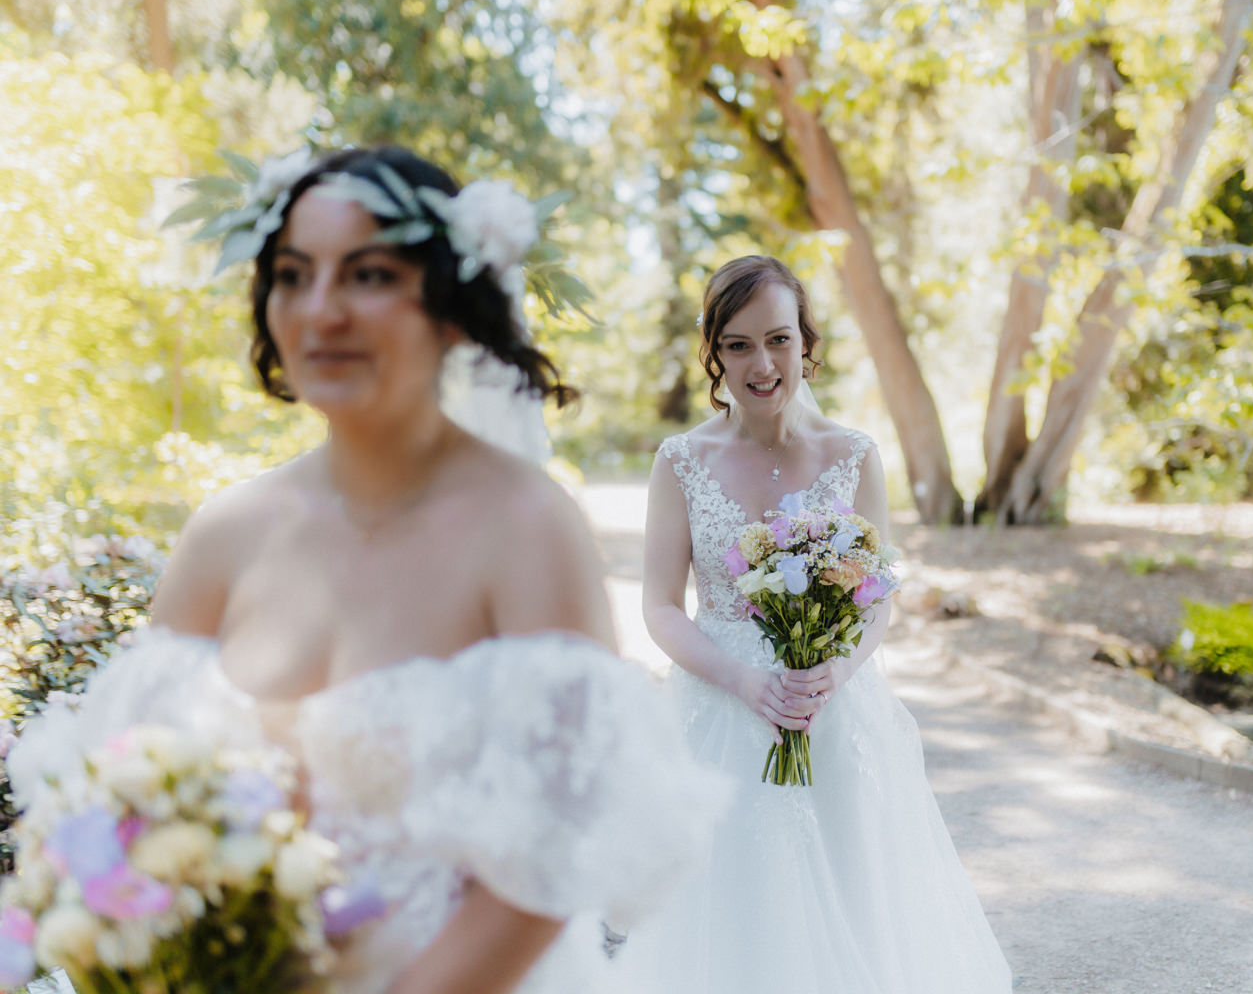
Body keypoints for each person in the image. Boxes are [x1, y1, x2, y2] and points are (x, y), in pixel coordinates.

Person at [7, 146, 725, 994]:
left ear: (452, 307)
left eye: (370, 275)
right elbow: (125, 797)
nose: (322, 311)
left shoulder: (527, 528)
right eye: (293, 275)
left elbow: (550, 852)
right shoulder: (226, 534)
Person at [618, 255, 1013, 993]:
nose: (762, 364)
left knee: (853, 897)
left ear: (806, 341)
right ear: (714, 353)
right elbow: (661, 606)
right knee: (728, 910)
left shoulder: (853, 455)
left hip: (831, 709)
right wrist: (743, 680)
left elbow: (876, 595)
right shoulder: (681, 461)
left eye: (778, 339)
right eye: (738, 345)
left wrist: (838, 669)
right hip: (719, 713)